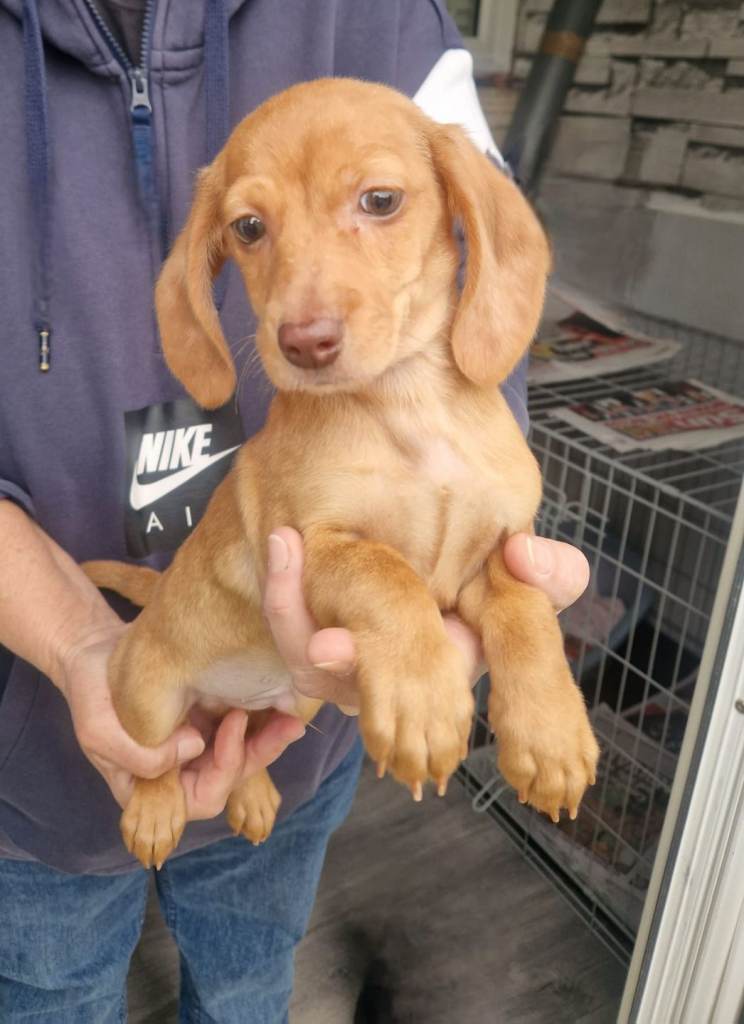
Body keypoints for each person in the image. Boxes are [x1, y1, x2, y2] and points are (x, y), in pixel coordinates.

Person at [0, 1, 590, 1021]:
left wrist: (519, 626)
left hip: (301, 748)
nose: (305, 312)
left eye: (377, 201)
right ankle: (153, 780)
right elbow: (333, 557)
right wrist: (74, 642)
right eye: (255, 230)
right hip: (48, 762)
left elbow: (495, 264)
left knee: (248, 981)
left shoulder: (390, 19)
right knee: (52, 989)